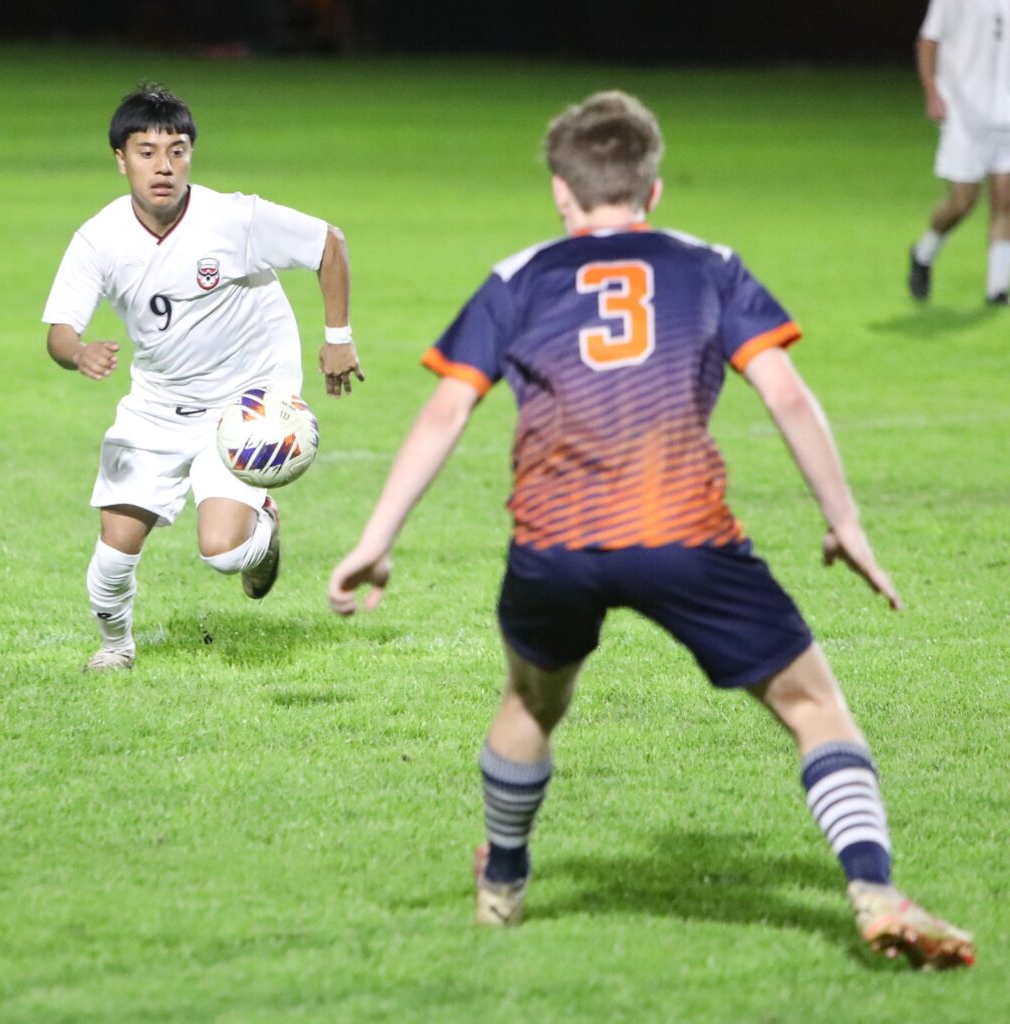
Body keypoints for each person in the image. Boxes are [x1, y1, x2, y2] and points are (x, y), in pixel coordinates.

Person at [328, 91, 975, 968]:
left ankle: (502, 890)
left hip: (556, 543)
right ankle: (874, 891)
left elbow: (447, 410)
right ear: (654, 190)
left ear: (562, 191)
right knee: (814, 707)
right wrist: (845, 519)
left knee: (530, 701)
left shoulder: (519, 275)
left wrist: (376, 536)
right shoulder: (709, 265)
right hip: (686, 535)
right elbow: (784, 391)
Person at [44, 83, 364, 672]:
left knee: (221, 554)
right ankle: (116, 647)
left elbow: (328, 242)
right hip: (157, 404)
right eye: (146, 151)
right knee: (114, 555)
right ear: (121, 158)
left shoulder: (233, 218)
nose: (163, 166)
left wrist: (338, 339)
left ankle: (260, 527)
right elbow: (59, 329)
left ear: (191, 154)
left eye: (178, 150)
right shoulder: (99, 238)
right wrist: (78, 353)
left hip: (246, 404)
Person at [909, 0, 1010, 304]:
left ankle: (997, 288)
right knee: (962, 202)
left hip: (1006, 114)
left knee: (1005, 200)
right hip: (964, 114)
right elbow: (928, 41)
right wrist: (932, 92)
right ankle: (923, 253)